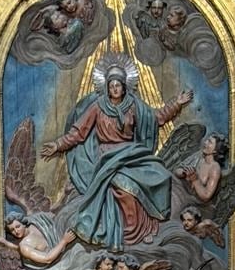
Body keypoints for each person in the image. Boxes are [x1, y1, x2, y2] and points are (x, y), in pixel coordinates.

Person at [41, 59, 193, 247]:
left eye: (118, 85)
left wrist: (176, 104)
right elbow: (78, 133)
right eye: (111, 85)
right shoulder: (98, 107)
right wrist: (58, 144)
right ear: (106, 87)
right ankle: (130, 233)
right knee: (124, 187)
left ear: (124, 87)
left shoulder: (133, 105)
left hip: (132, 154)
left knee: (159, 176)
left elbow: (156, 118)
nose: (114, 89)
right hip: (108, 158)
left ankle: (149, 225)